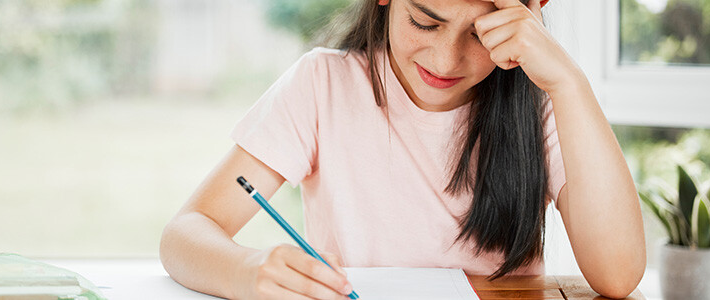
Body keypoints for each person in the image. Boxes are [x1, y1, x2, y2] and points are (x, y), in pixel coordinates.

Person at [159, 0, 647, 299]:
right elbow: (185, 233)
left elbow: (618, 275)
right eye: (425, 22)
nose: (444, 59)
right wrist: (246, 271)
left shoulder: (545, 107)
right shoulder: (322, 84)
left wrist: (568, 82)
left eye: (479, 35)